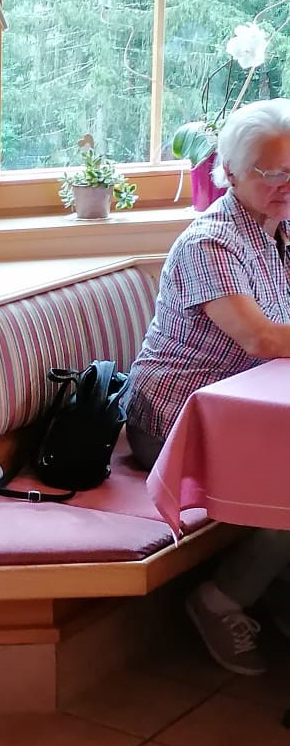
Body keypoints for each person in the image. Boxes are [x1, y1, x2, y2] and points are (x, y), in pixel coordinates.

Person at [124, 96, 290, 676]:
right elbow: (262, 339)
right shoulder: (211, 243)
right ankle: (219, 599)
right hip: (175, 420)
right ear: (231, 173)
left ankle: (274, 591)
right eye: (273, 173)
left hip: (254, 410)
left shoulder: (280, 228)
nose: (287, 186)